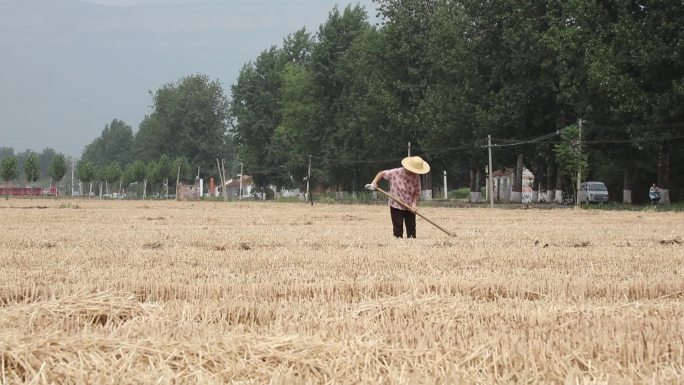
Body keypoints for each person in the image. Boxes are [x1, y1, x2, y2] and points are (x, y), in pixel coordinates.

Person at [367, 156, 430, 238]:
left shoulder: (416, 177)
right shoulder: (395, 172)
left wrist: (414, 204)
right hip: (396, 204)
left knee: (411, 227)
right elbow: (382, 173)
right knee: (398, 227)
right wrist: (374, 182)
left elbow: (417, 192)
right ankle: (398, 242)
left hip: (409, 206)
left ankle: (412, 243)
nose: (413, 172)